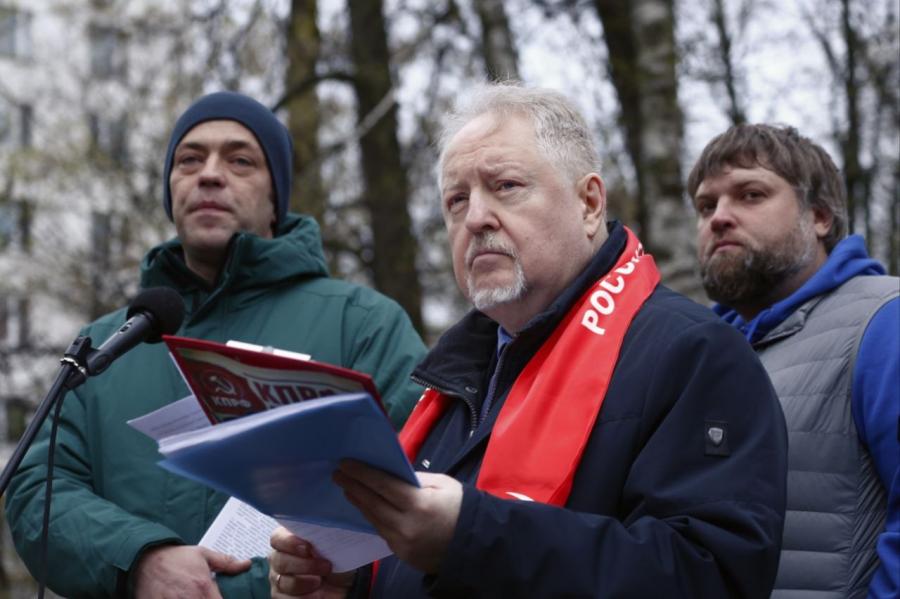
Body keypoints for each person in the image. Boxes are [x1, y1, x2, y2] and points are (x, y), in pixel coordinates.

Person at [268, 83, 788, 598]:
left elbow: (710, 577)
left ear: (589, 204)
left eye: (506, 186)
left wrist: (472, 536)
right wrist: (349, 583)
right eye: (457, 200)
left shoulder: (695, 353)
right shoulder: (452, 380)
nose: (475, 218)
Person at [5, 92, 427, 598]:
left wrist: (240, 589)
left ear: (277, 197)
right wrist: (140, 561)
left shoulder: (363, 325)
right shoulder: (104, 347)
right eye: (189, 159)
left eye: (240, 160)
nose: (209, 174)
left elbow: (421, 490)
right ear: (170, 190)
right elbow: (38, 492)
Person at [688, 123, 899, 598]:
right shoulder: (697, 355)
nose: (719, 218)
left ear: (819, 216)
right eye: (706, 205)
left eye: (751, 195)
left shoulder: (885, 320)